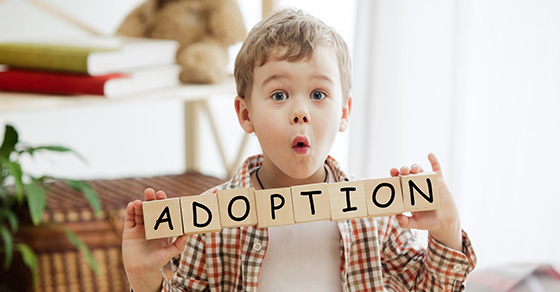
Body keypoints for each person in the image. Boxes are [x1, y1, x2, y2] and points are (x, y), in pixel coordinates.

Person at [122, 8, 477, 292]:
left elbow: (429, 286)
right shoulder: (209, 226)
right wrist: (144, 278)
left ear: (343, 113)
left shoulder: (379, 219)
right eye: (279, 95)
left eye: (319, 94)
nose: (300, 111)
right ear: (246, 114)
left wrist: (447, 231)